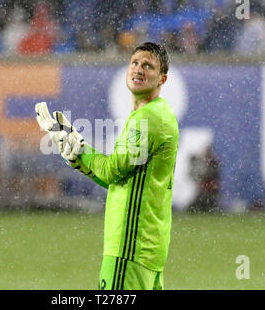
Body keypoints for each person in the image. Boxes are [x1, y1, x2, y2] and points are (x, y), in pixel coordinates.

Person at [36, 42, 178, 290]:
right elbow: (119, 178)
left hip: (129, 246)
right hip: (147, 247)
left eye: (148, 66)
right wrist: (78, 159)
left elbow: (112, 170)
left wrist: (80, 149)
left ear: (162, 79)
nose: (139, 70)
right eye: (134, 63)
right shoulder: (156, 114)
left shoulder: (149, 119)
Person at [187, 145, 221, 213]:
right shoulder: (204, 162)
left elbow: (209, 175)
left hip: (210, 192)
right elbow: (196, 175)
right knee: (195, 207)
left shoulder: (212, 163)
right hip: (203, 191)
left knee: (209, 204)